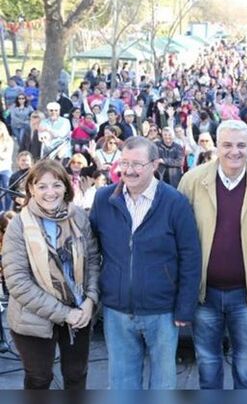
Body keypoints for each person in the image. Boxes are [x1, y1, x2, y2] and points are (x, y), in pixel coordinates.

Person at [89, 135, 201, 389]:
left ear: (155, 164)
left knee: (162, 383)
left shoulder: (175, 203)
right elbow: (91, 249)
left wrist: (185, 306)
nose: (129, 170)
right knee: (122, 383)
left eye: (137, 164)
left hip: (162, 311)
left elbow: (190, 257)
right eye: (124, 163)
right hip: (117, 310)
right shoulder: (103, 200)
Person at [177, 120, 247, 389]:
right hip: (204, 294)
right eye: (228, 145)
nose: (235, 151)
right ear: (217, 147)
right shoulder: (192, 182)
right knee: (208, 366)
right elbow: (178, 239)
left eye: (241, 145)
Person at [1, 160, 100, 389]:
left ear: (66, 186)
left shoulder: (78, 218)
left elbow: (93, 262)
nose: (50, 192)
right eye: (42, 186)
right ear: (31, 189)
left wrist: (90, 301)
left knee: (76, 375)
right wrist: (64, 314)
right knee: (39, 379)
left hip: (79, 311)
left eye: (56, 185)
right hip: (33, 317)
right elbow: (17, 282)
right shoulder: (19, 226)